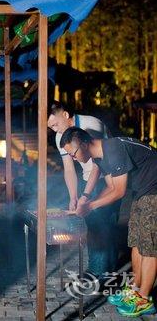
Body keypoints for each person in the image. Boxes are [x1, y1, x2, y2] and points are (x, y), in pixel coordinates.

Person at [60, 127, 156, 317]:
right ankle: (135, 290)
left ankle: (144, 300)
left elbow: (119, 191)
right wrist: (87, 202)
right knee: (137, 242)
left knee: (150, 245)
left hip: (154, 190)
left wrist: (91, 206)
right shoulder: (100, 157)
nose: (72, 158)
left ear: (85, 144)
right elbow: (111, 187)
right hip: (142, 192)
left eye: (73, 153)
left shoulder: (114, 149)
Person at [47, 101, 119, 280]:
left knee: (104, 224)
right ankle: (97, 269)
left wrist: (86, 195)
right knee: (93, 225)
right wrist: (73, 196)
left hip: (110, 176)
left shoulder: (91, 125)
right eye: (51, 127)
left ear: (65, 114)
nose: (55, 130)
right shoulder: (60, 137)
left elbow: (98, 163)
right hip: (89, 180)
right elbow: (69, 169)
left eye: (55, 124)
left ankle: (103, 273)